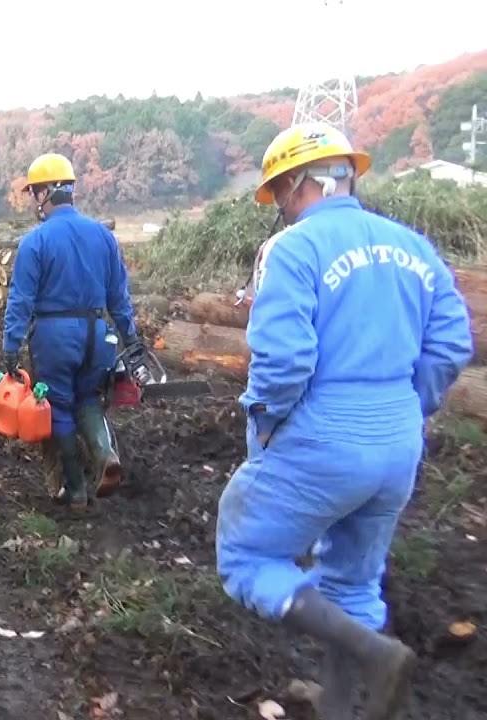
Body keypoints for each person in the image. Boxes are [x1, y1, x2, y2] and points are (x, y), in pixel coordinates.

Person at [215, 123, 474, 720]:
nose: (280, 207)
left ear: (301, 183)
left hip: (321, 438)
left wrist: (266, 424)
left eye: (280, 192)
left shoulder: (296, 249)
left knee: (247, 556)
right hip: (396, 445)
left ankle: (376, 655)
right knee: (352, 584)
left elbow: (283, 360)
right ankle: (340, 706)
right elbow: (453, 344)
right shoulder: (413, 247)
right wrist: (409, 408)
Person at [2, 152, 146, 509]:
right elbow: (119, 298)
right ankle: (105, 454)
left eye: (35, 192)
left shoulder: (35, 242)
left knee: (60, 407)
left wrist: (11, 344)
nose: (34, 200)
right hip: (99, 334)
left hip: (55, 336)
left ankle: (76, 490)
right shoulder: (103, 236)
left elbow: (21, 300)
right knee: (87, 398)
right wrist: (132, 339)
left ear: (47, 192)